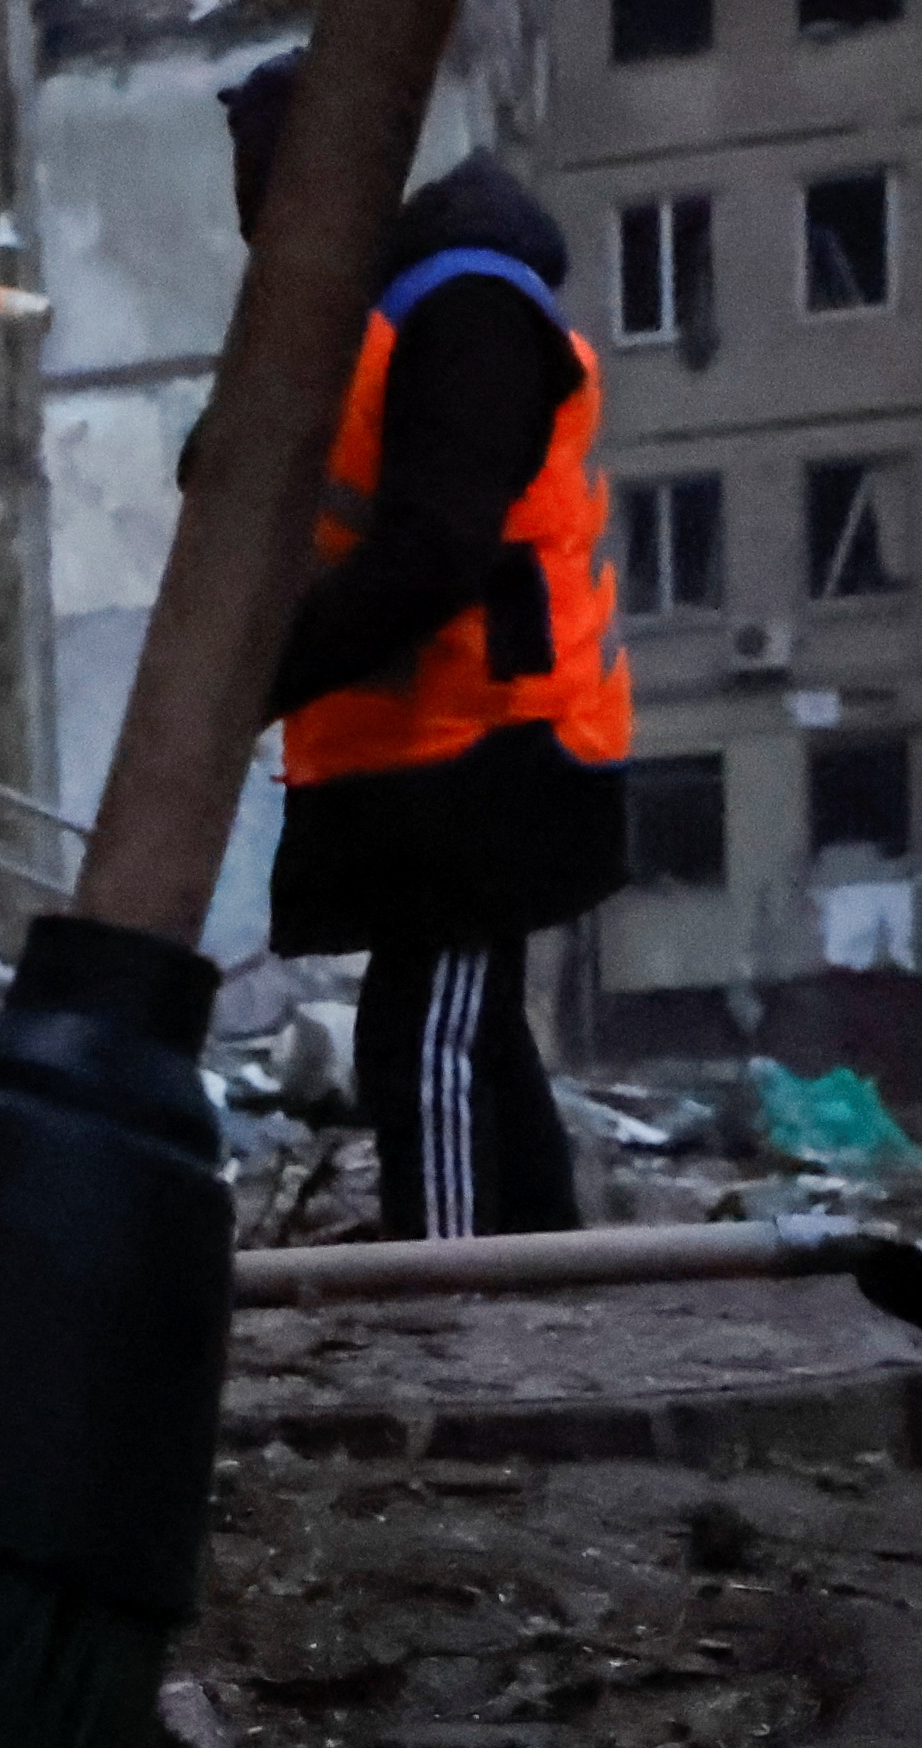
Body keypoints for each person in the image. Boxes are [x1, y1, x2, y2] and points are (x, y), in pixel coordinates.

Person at [223, 52, 632, 1241]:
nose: (255, 236)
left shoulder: (464, 303)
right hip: (437, 747)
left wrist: (258, 674)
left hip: (484, 743)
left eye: (262, 196)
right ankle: (533, 1282)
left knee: (431, 1040)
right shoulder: (385, 309)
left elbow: (433, 549)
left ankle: (453, 1304)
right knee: (473, 1032)